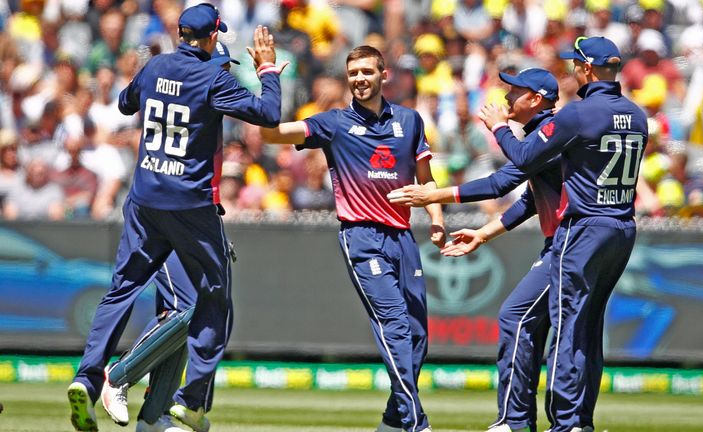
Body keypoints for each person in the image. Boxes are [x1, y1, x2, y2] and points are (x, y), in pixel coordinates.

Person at [66, 4, 284, 432]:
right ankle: (190, 400)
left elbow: (127, 104)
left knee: (121, 290)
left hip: (145, 198)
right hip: (189, 204)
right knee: (213, 297)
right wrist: (269, 70)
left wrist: (154, 79)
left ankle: (88, 379)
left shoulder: (156, 66)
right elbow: (269, 115)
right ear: (209, 37)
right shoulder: (213, 76)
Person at [260, 45, 445, 432]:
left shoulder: (410, 122)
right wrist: (269, 76)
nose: (359, 79)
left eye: (366, 71)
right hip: (362, 236)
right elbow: (271, 134)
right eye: (353, 73)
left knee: (417, 337)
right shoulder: (334, 123)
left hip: (403, 238)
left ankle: (393, 423)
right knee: (394, 323)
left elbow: (427, 183)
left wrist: (438, 220)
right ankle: (416, 423)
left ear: (383, 74)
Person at [390, 68, 562, 432]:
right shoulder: (541, 134)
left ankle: (518, 422)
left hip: (568, 244)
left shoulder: (551, 131)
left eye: (516, 91)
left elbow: (501, 182)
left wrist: (432, 195)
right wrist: (484, 233)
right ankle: (557, 422)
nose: (506, 98)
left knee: (517, 317)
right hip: (564, 243)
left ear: (537, 99)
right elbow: (531, 199)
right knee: (556, 328)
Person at [492, 37, 648, 432]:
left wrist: (499, 128)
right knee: (589, 325)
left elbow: (525, 158)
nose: (573, 70)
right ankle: (580, 419)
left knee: (566, 324)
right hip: (622, 228)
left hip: (584, 228)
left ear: (588, 70)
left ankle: (566, 423)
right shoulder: (638, 115)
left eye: (576, 64)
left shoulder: (578, 115)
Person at [98, 42, 243, 432]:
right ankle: (121, 375)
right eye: (222, 66)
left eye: (228, 68)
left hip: (199, 221)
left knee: (193, 314)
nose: (225, 74)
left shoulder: (208, 107)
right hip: (171, 221)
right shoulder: (194, 99)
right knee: (192, 309)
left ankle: (155, 415)